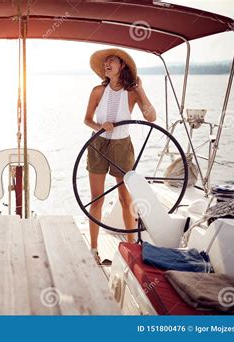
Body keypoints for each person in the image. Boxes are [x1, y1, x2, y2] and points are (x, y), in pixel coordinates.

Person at [83, 48, 156, 264]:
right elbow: (87, 119)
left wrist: (141, 90)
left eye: (111, 60)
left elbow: (151, 117)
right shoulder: (97, 91)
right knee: (97, 199)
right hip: (98, 145)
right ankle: (94, 250)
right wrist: (99, 126)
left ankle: (132, 248)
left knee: (125, 198)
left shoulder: (131, 93)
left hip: (122, 147)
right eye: (105, 61)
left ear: (121, 65)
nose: (107, 64)